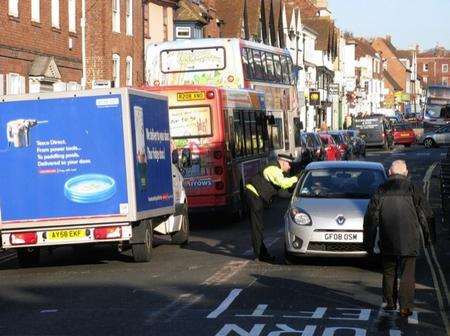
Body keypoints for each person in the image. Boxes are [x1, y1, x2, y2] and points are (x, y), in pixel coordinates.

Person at [364, 160, 434, 317]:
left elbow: (371, 218)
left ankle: (389, 302)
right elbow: (426, 214)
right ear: (406, 172)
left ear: (389, 172)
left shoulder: (380, 189)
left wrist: (368, 241)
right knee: (408, 273)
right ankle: (405, 307)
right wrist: (429, 238)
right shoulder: (413, 188)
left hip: (388, 237)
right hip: (410, 238)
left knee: (389, 271)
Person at [245, 153, 298, 262]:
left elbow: (282, 192)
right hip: (254, 195)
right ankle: (260, 255)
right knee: (257, 227)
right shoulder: (273, 170)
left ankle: (262, 253)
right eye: (288, 164)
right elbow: (283, 183)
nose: (290, 167)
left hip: (256, 196)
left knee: (258, 227)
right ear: (282, 162)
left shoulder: (277, 170)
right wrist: (297, 178)